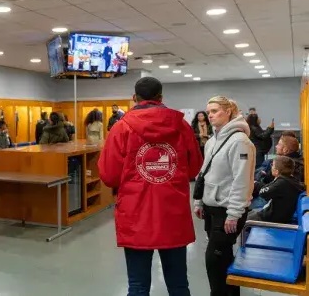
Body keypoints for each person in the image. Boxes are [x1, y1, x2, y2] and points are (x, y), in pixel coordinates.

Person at [99, 77, 203, 296]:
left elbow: (109, 175)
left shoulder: (121, 128)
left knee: (137, 287)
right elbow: (194, 168)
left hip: (136, 213)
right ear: (161, 98)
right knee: (179, 285)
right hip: (172, 213)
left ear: (134, 98)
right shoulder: (181, 126)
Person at [193, 96, 255, 296]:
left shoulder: (240, 141)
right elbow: (204, 172)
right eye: (208, 111)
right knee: (223, 258)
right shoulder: (212, 140)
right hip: (212, 208)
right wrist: (199, 200)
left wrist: (235, 213)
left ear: (228, 111)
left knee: (214, 260)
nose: (210, 115)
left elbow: (242, 179)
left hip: (228, 211)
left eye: (215, 111)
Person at [249, 156, 305, 223]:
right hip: (279, 216)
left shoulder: (281, 183)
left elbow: (263, 193)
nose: (271, 167)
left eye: (272, 165)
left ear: (276, 171)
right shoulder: (291, 180)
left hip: (269, 218)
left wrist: (257, 184)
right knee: (247, 213)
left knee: (241, 220)